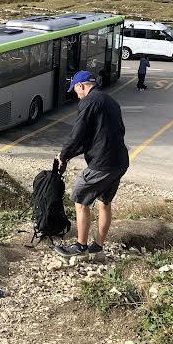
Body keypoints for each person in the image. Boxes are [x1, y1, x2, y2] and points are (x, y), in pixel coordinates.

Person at [53, 71, 129, 258]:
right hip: (119, 161)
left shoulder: (88, 102)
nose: (76, 95)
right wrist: (70, 155)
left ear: (81, 86)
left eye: (75, 90)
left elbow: (78, 133)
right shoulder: (111, 101)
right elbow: (100, 135)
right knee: (104, 202)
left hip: (102, 163)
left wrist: (63, 154)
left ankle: (80, 247)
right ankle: (98, 247)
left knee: (80, 200)